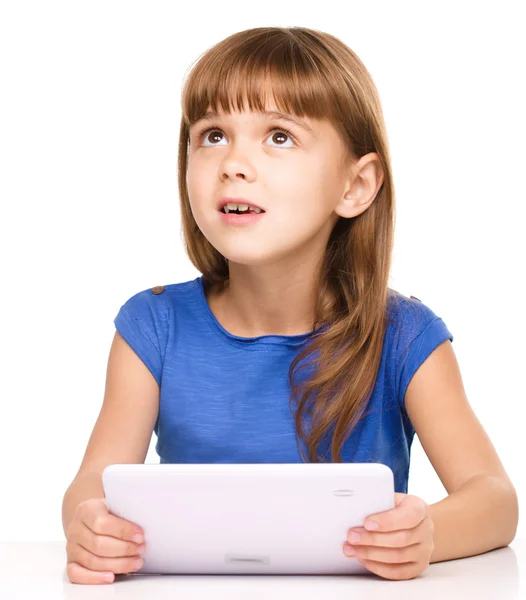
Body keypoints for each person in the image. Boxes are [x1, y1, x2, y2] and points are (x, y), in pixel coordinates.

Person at [62, 26, 518, 585]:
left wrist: (426, 533)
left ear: (356, 186)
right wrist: (86, 524)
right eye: (212, 135)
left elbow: (495, 501)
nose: (233, 162)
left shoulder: (403, 336)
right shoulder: (152, 327)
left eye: (278, 137)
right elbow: (92, 485)